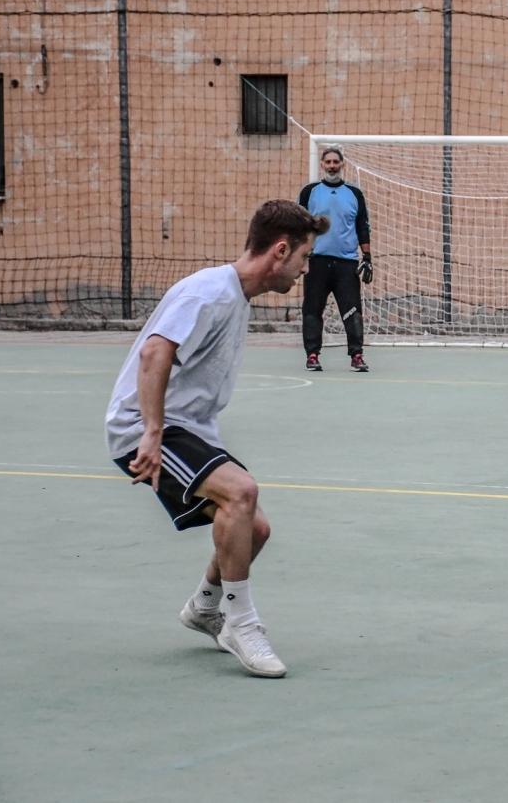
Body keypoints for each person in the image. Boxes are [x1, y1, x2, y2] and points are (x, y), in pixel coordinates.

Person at [104, 200, 330, 677]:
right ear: (280, 250)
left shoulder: (234, 296)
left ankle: (205, 607)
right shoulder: (207, 293)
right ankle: (241, 624)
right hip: (145, 427)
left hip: (185, 428)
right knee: (241, 492)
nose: (306, 268)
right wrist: (151, 433)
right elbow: (153, 354)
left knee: (255, 529)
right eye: (304, 257)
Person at [299, 145, 373, 372]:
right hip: (316, 262)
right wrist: (299, 257)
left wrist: (367, 257)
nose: (332, 166)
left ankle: (357, 356)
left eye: (336, 162)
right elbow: (299, 227)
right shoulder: (310, 191)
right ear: (322, 165)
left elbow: (362, 226)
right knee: (312, 310)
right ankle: (312, 355)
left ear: (342, 165)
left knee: (352, 311)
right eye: (328, 162)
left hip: (346, 264)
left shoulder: (354, 193)